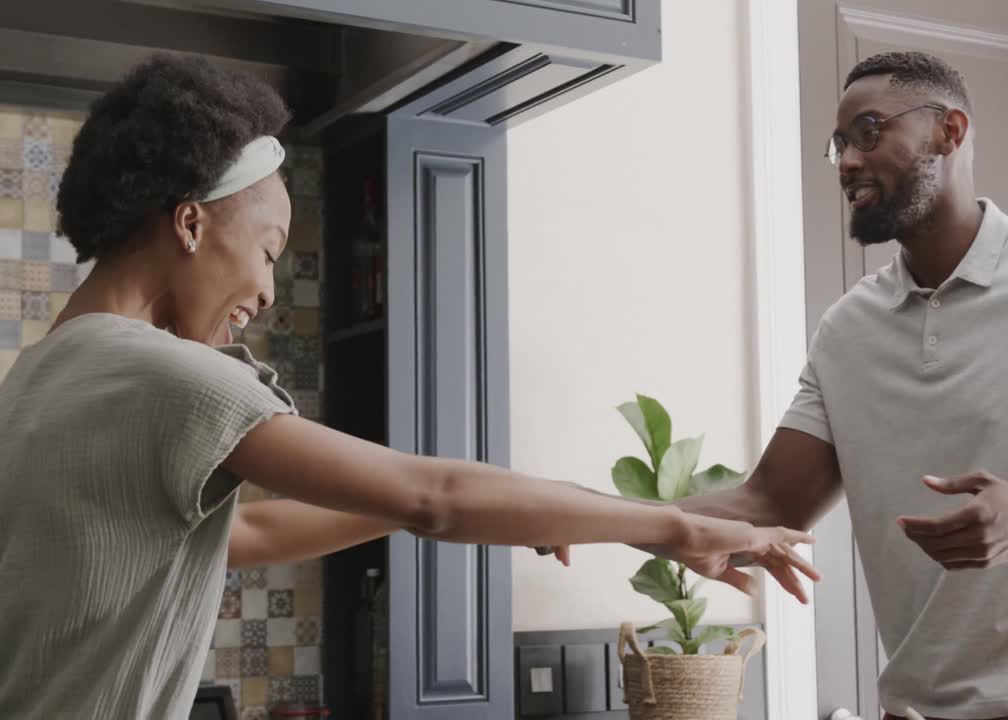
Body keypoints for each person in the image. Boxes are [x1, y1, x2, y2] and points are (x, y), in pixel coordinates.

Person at [0, 55, 818, 719]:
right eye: (269, 249)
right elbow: (433, 496)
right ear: (190, 223)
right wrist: (669, 526)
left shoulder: (43, 376)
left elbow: (243, 539)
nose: (268, 289)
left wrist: (547, 501)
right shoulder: (167, 375)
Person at [550, 51, 1008, 720]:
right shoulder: (849, 329)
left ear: (949, 131)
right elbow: (768, 502)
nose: (846, 161)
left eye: (869, 132)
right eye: (839, 144)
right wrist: (580, 512)